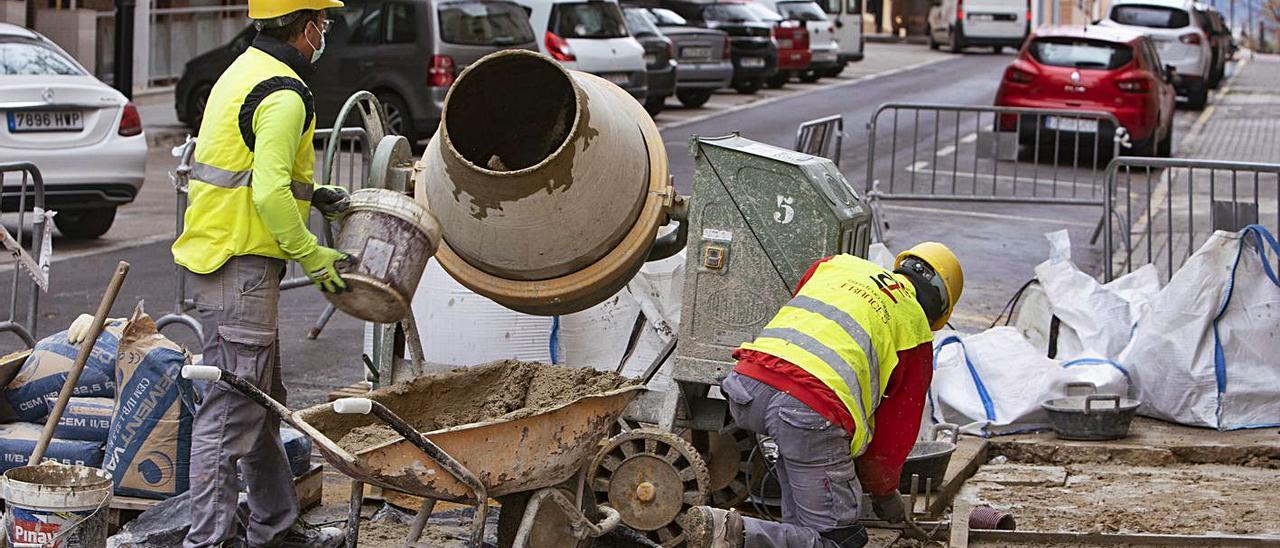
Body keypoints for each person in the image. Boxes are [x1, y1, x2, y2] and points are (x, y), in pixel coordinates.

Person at [171, 0, 354, 544]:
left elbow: (250, 168)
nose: (325, 32)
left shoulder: (245, 68)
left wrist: (312, 193)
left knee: (261, 406)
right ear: (306, 27)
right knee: (229, 418)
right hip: (241, 266)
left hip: (224, 255)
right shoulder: (284, 93)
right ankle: (208, 540)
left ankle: (276, 528)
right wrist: (312, 254)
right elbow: (271, 193)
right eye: (323, 22)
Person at [681, 243, 964, 548]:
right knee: (838, 540)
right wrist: (884, 493)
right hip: (808, 410)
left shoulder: (837, 266)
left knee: (804, 525)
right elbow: (892, 438)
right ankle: (733, 532)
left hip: (749, 384)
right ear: (938, 310)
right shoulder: (914, 325)